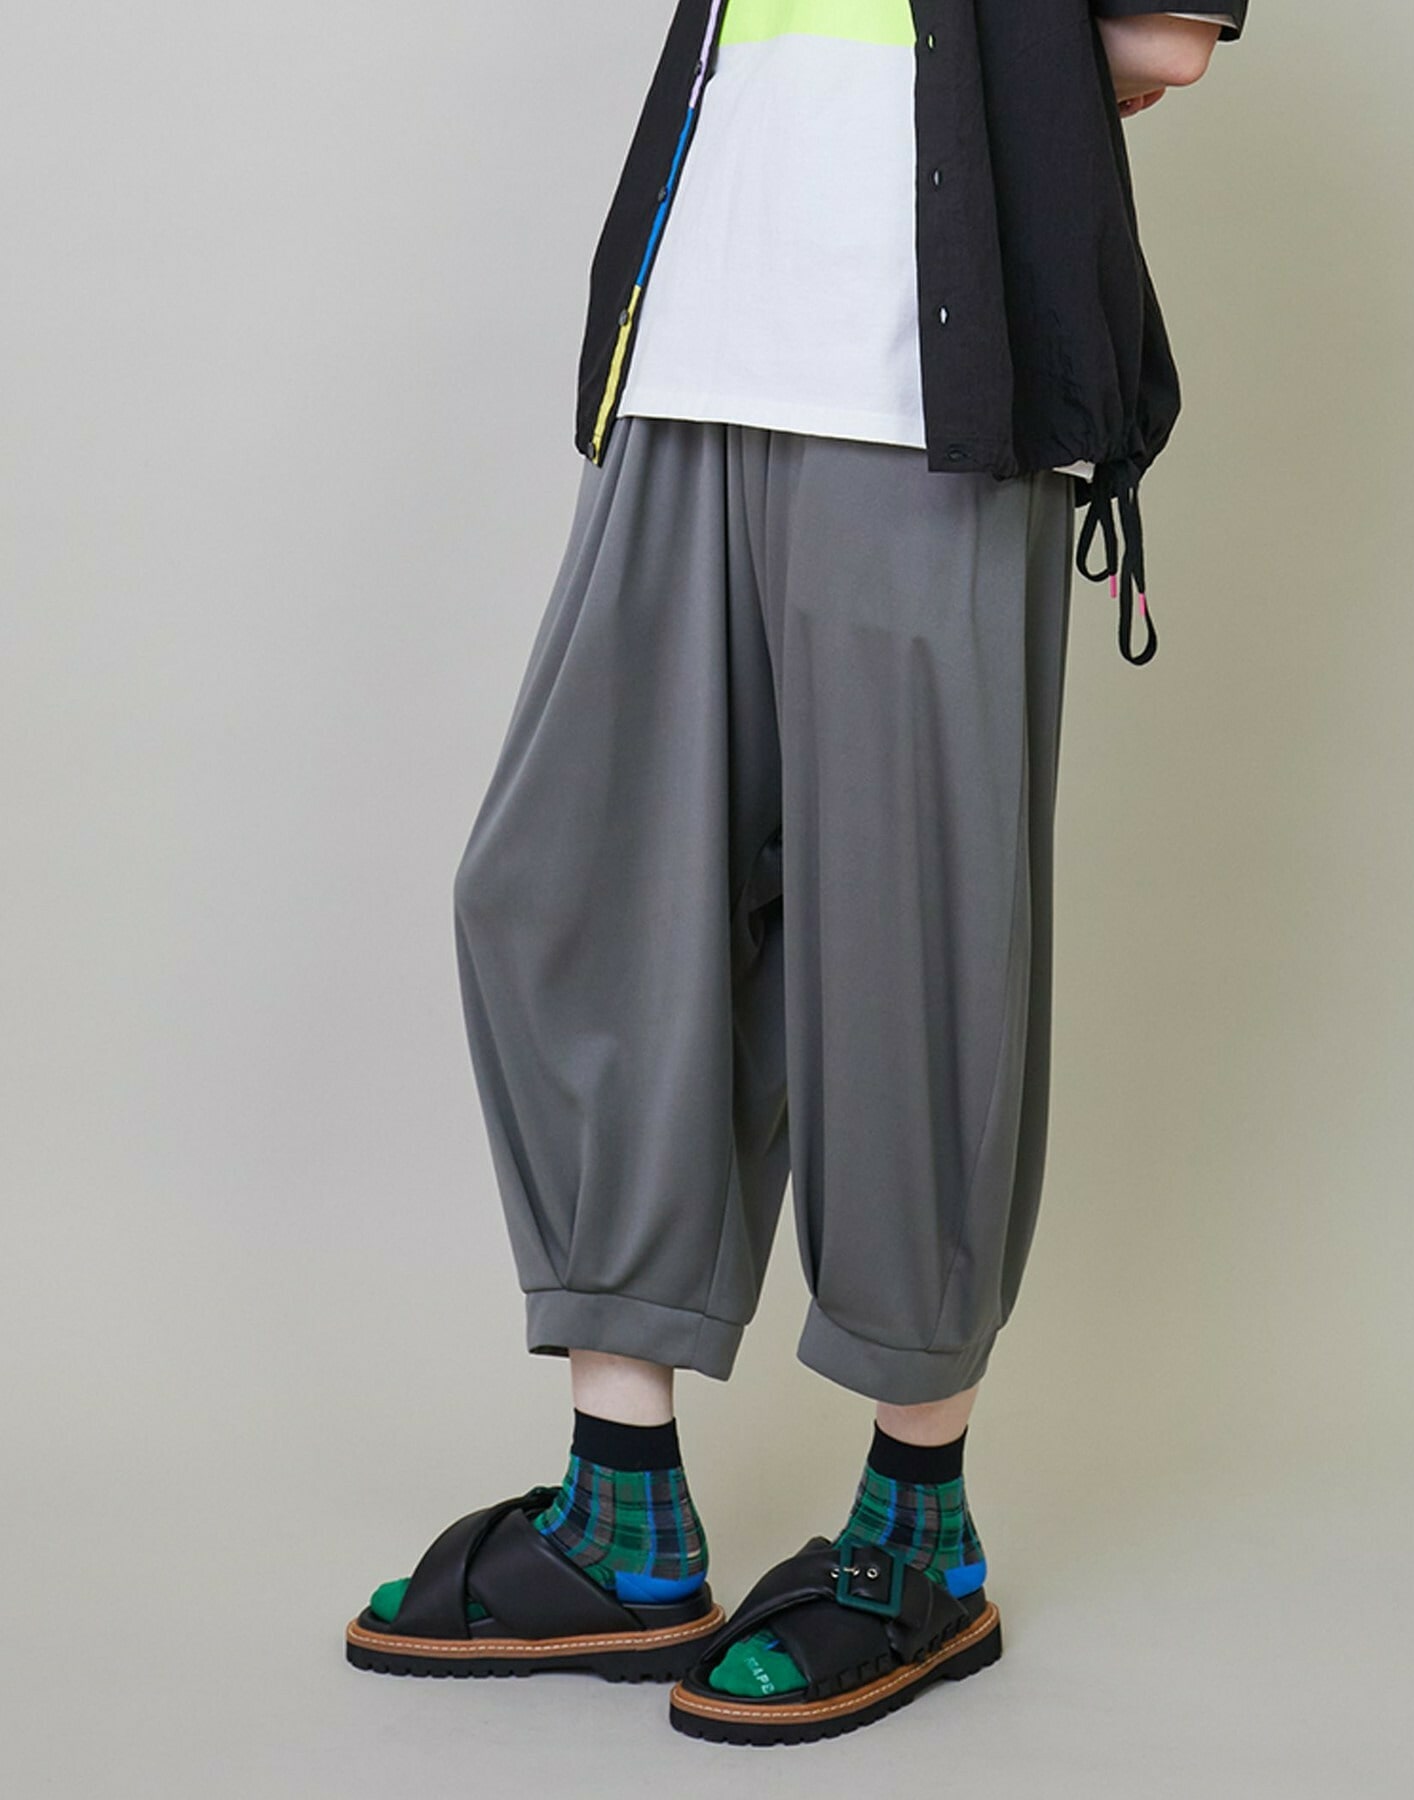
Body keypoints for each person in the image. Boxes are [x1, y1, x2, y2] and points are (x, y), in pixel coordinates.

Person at [344, 0, 1249, 1746]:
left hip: (930, 385)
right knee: (578, 894)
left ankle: (917, 1533)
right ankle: (622, 1519)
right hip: (688, 349)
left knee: (909, 950)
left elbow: (1161, 40)